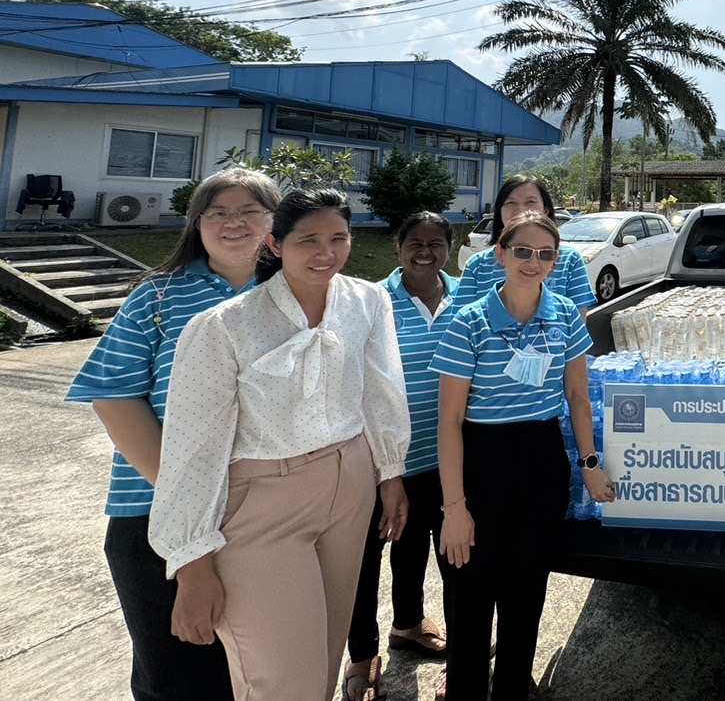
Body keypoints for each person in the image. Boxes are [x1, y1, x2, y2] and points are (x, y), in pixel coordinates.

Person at [148, 187, 412, 701]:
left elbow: (382, 388)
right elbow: (193, 449)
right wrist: (191, 560)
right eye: (307, 240)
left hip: (350, 487)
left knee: (324, 660)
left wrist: (391, 473)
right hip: (262, 502)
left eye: (338, 238)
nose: (325, 253)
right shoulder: (224, 327)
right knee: (284, 683)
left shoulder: (367, 300)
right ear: (274, 243)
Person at [65, 168, 280, 701]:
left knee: (255, 671)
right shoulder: (157, 298)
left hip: (261, 512)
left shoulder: (293, 297)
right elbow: (115, 395)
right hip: (153, 511)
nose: (234, 222)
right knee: (175, 675)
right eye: (218, 212)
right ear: (197, 225)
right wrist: (185, 492)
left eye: (250, 210)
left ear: (275, 223)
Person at [432, 211, 615, 701]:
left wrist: (590, 465)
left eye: (546, 254)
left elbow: (577, 397)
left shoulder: (565, 318)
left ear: (557, 261)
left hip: (540, 462)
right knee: (470, 596)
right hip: (479, 461)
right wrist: (454, 509)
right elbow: (448, 421)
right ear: (500, 255)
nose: (534, 262)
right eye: (522, 252)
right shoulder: (468, 323)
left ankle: (512, 689)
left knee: (526, 593)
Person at [343, 212, 461, 701]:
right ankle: (362, 657)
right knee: (365, 560)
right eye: (415, 242)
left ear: (450, 248)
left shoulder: (467, 298)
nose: (425, 251)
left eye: (436, 242)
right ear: (398, 247)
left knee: (425, 551)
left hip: (445, 458)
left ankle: (409, 624)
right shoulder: (372, 301)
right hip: (379, 461)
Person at [457, 175, 594, 314]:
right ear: (499, 211)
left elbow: (577, 324)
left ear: (545, 210)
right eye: (511, 203)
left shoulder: (571, 261)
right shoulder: (476, 266)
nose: (520, 210)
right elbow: (461, 325)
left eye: (530, 202)